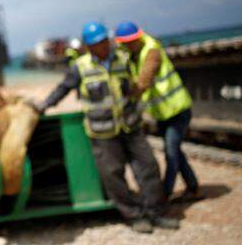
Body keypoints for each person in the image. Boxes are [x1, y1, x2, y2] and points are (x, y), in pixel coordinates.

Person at [32, 22, 178, 233]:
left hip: (130, 126)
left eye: (104, 42)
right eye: (96, 44)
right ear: (89, 47)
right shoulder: (81, 67)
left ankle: (155, 212)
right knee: (112, 175)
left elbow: (143, 57)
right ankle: (134, 215)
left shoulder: (123, 58)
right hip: (103, 133)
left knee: (148, 167)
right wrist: (45, 105)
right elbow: (63, 88)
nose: (102, 46)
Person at [115, 21, 202, 202]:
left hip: (177, 109)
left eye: (130, 42)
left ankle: (165, 193)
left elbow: (144, 82)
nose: (127, 45)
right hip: (163, 113)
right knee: (176, 151)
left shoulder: (151, 51)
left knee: (171, 152)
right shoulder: (131, 54)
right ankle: (193, 188)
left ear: (138, 38)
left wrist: (127, 91)